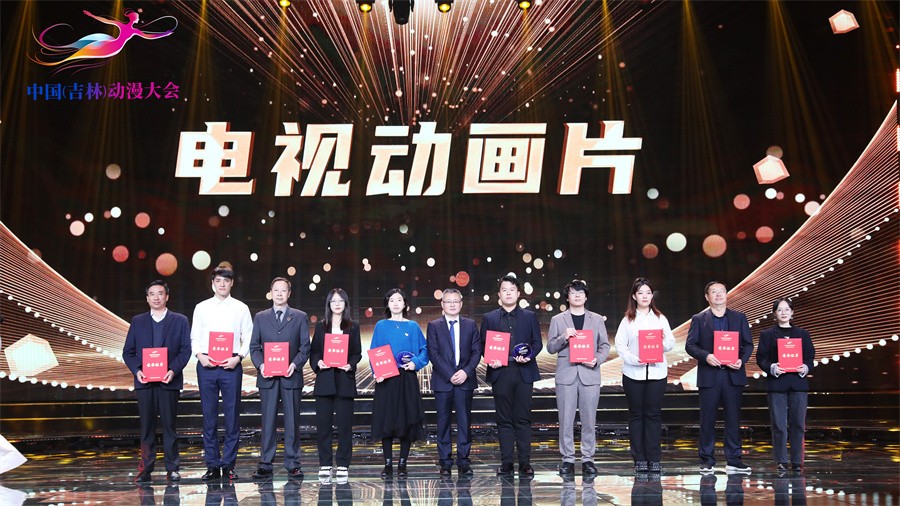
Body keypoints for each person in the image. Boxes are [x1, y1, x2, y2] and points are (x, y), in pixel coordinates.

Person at [122, 280, 192, 483]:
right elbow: (128, 352)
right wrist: (137, 371)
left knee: (169, 426)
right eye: (152, 294)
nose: (156, 297)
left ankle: (173, 468)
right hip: (145, 382)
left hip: (169, 381)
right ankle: (146, 468)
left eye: (160, 293)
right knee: (146, 427)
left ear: (167, 296)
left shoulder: (180, 320)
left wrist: (173, 370)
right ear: (147, 298)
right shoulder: (138, 321)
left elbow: (185, 350)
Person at [190, 266, 253, 481]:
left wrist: (238, 357)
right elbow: (194, 337)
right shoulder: (201, 307)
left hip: (231, 366)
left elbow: (248, 336)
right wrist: (200, 356)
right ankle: (212, 465)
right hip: (206, 365)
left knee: (232, 417)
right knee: (209, 417)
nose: (222, 284)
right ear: (213, 284)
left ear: (232, 283)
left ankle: (228, 465)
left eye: (226, 280)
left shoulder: (241, 308)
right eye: (218, 281)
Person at [685, 281, 753, 474]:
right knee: (707, 420)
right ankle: (707, 460)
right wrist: (706, 356)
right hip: (710, 375)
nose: (718, 295)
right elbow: (690, 345)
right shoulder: (699, 319)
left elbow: (748, 344)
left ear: (726, 294)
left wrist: (741, 360)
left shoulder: (739, 317)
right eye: (714, 292)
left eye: (722, 291)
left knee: (733, 418)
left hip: (733, 374)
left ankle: (734, 459)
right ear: (707, 297)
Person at [480, 274, 544, 477]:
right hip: (501, 373)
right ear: (499, 294)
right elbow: (483, 345)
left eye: (512, 290)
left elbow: (537, 343)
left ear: (518, 293)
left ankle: (525, 463)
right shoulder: (490, 318)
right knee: (504, 420)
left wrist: (529, 356)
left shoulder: (529, 316)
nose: (508, 293)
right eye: (504, 290)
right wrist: (490, 358)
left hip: (524, 372)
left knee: (523, 419)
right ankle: (507, 462)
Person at [248, 277, 310, 480]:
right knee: (268, 422)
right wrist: (261, 365)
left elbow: (305, 347)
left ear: (289, 293)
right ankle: (265, 463)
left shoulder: (299, 316)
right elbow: (254, 347)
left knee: (292, 421)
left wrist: (295, 364)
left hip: (291, 376)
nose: (280, 294)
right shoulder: (260, 317)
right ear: (271, 293)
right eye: (276, 290)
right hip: (267, 377)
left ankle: (293, 463)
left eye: (284, 290)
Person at [547, 279, 610, 477]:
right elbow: (550, 347)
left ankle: (588, 459)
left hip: (589, 374)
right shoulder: (558, 320)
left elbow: (605, 346)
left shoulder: (596, 319)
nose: (577, 295)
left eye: (580, 292)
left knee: (589, 419)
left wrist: (597, 359)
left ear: (586, 296)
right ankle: (567, 459)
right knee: (565, 419)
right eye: (573, 292)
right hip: (566, 375)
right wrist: (564, 337)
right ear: (567, 297)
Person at [614, 278, 676, 474]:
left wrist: (662, 343)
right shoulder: (627, 320)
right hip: (633, 373)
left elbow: (671, 343)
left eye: (648, 293)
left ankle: (654, 458)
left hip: (657, 373)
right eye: (640, 293)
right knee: (636, 415)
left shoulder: (660, 318)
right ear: (634, 296)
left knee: (653, 415)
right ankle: (639, 459)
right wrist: (634, 359)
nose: (645, 296)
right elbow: (620, 346)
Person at [370, 288, 429, 478]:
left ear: (405, 304)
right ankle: (387, 463)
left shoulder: (413, 326)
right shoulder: (381, 326)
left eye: (399, 300)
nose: (395, 303)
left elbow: (425, 350)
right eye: (392, 300)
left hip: (407, 377)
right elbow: (374, 350)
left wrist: (415, 363)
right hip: (386, 378)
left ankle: (403, 463)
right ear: (387, 304)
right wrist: (376, 372)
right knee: (386, 420)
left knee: (407, 419)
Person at [755, 298, 815, 474]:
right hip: (776, 384)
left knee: (798, 424)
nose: (783, 313)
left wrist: (806, 367)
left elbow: (810, 357)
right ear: (775, 313)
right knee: (779, 425)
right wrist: (772, 367)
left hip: (798, 384)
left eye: (787, 309)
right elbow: (761, 358)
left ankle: (797, 461)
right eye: (780, 310)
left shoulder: (803, 334)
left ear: (792, 312)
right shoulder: (767, 334)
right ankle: (781, 461)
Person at [426, 288, 481, 477]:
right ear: (442, 304)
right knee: (443, 422)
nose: (452, 304)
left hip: (465, 380)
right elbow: (433, 353)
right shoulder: (434, 325)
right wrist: (450, 374)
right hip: (443, 381)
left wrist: (465, 372)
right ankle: (445, 461)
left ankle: (464, 461)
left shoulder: (470, 324)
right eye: (448, 301)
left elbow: (476, 351)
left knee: (465, 421)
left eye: (455, 301)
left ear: (461, 304)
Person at [309, 288, 362, 480]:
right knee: (323, 426)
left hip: (344, 380)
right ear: (329, 304)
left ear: (345, 304)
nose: (337, 304)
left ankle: (343, 464)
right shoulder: (321, 327)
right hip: (325, 380)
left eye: (340, 301)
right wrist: (318, 363)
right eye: (333, 301)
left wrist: (350, 364)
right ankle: (324, 463)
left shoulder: (353, 327)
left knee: (345, 426)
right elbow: (314, 351)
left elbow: (357, 353)